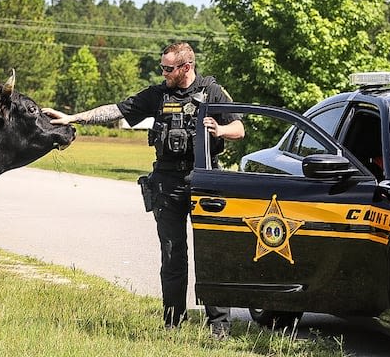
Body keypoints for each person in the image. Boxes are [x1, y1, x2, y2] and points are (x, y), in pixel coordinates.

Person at [43, 42, 245, 338]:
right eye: (162, 67)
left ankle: (219, 325)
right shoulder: (158, 94)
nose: (163, 72)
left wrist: (220, 130)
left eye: (168, 68)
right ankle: (173, 321)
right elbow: (116, 110)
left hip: (204, 180)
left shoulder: (212, 91)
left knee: (210, 253)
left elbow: (239, 128)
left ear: (186, 67)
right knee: (172, 253)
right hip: (167, 183)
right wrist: (74, 117)